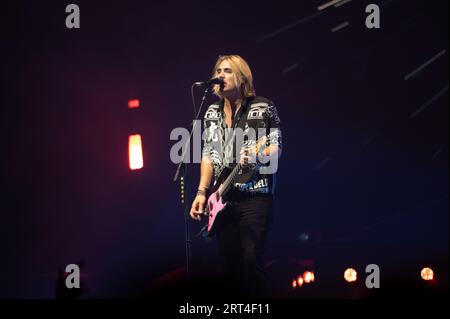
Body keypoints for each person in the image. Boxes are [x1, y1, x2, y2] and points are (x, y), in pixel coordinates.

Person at [189, 54, 282, 297]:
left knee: (252, 259)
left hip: (255, 194)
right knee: (230, 267)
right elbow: (209, 154)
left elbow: (276, 146)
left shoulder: (262, 106)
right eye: (218, 71)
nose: (220, 75)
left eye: (228, 71)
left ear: (242, 77)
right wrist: (201, 192)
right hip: (223, 197)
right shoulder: (211, 112)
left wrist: (257, 155)